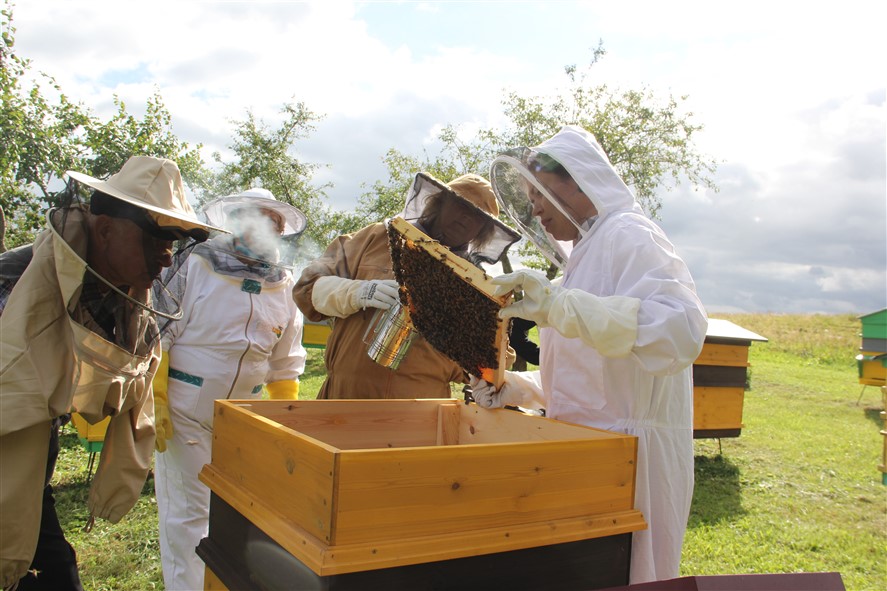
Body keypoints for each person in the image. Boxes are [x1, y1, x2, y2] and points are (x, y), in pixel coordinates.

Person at [473, 125, 708, 584]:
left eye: (540, 192)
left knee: (631, 576)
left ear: (580, 181)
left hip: (635, 465)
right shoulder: (582, 259)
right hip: (585, 458)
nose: (535, 208)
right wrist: (515, 387)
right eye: (529, 196)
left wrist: (560, 307)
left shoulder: (630, 234)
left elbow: (680, 331)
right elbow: (589, 377)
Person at [0, 156, 221, 590]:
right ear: (104, 230)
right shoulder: (14, 283)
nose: (166, 257)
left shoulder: (118, 285)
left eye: (173, 244)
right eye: (155, 240)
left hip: (33, 447)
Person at [152, 188, 308, 591]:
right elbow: (158, 333)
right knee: (190, 517)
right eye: (258, 219)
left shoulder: (283, 284)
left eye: (274, 224)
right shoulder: (194, 263)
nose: (266, 230)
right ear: (235, 221)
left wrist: (284, 419)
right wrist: (157, 397)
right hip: (185, 412)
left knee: (238, 515)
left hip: (245, 418)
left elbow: (285, 362)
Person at [293, 172, 519, 400]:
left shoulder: (475, 283)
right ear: (440, 202)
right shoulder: (375, 237)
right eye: (461, 205)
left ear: (483, 230)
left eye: (477, 216)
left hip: (421, 407)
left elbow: (497, 359)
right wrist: (357, 292)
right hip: (344, 397)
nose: (466, 218)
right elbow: (306, 289)